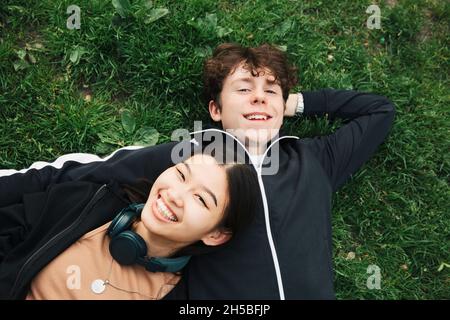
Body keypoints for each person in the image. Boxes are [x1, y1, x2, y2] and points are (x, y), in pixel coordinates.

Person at [0, 43, 396, 299]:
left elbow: (379, 111)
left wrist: (294, 103)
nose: (258, 95)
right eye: (243, 89)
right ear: (216, 111)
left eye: (270, 90)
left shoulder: (315, 160)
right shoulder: (191, 154)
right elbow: (92, 173)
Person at [0, 146, 259, 299]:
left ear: (215, 234)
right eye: (181, 174)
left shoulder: (179, 295)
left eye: (200, 199)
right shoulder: (86, 201)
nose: (175, 195)